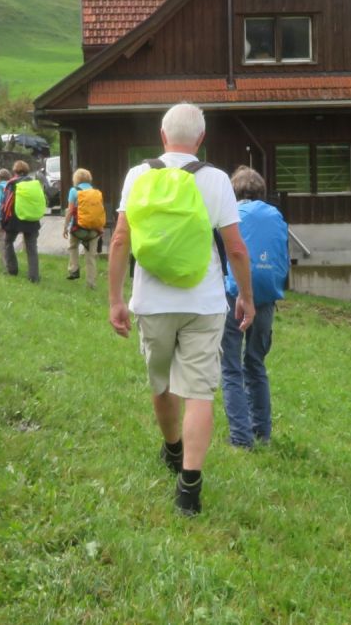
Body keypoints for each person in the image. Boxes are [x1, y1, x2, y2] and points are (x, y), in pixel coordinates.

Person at [108, 103, 253, 517]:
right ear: (201, 140)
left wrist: (116, 300)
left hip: (152, 303)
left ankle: (172, 450)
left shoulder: (138, 175)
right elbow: (236, 248)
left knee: (162, 381)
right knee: (199, 392)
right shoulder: (217, 180)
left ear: (162, 134)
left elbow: (120, 240)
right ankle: (189, 486)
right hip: (204, 303)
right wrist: (245, 295)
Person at [220, 166, 288, 449]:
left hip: (235, 296)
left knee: (231, 366)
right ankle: (262, 432)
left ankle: (240, 438)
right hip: (266, 298)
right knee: (256, 363)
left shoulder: (232, 215)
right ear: (261, 191)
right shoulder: (276, 215)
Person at [1, 159, 45, 283]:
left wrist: (3, 220)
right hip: (32, 219)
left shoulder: (12, 183)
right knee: (32, 248)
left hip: (15, 219)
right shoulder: (34, 183)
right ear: (27, 171)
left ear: (14, 171)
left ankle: (12, 270)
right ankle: (34, 277)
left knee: (8, 242)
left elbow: (6, 203)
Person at [64, 167, 103, 288]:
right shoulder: (96, 192)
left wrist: (65, 226)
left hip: (78, 229)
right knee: (91, 256)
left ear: (76, 179)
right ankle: (91, 283)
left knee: (72, 246)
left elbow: (70, 211)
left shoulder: (74, 191)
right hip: (94, 230)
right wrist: (100, 229)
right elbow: (100, 212)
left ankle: (74, 269)